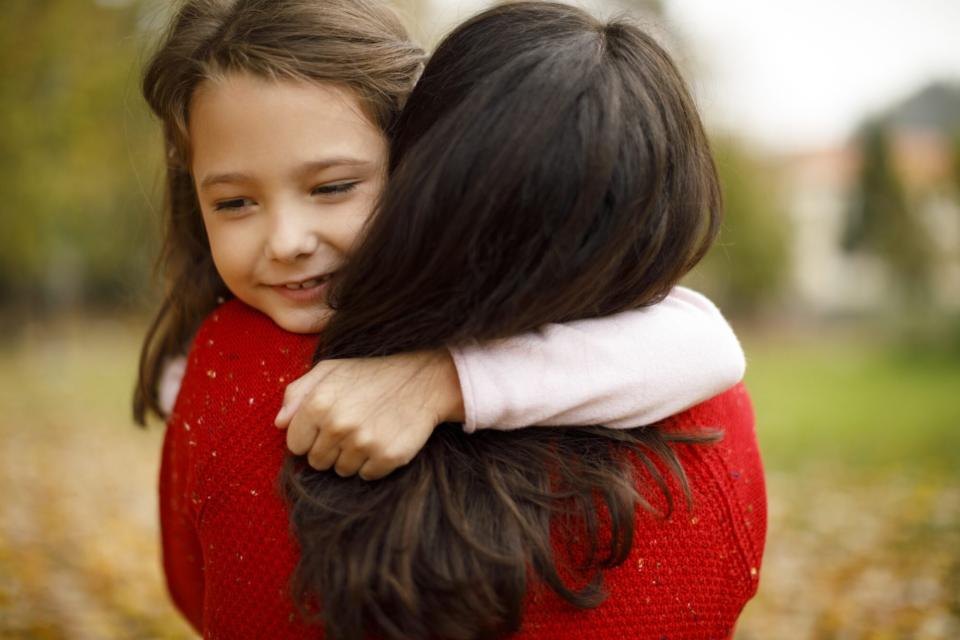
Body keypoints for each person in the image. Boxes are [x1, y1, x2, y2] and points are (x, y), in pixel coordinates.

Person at [139, 0, 764, 637]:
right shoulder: (216, 361)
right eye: (235, 201)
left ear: (421, 163)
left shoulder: (231, 370)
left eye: (332, 188)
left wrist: (444, 378)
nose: (287, 240)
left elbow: (708, 341)